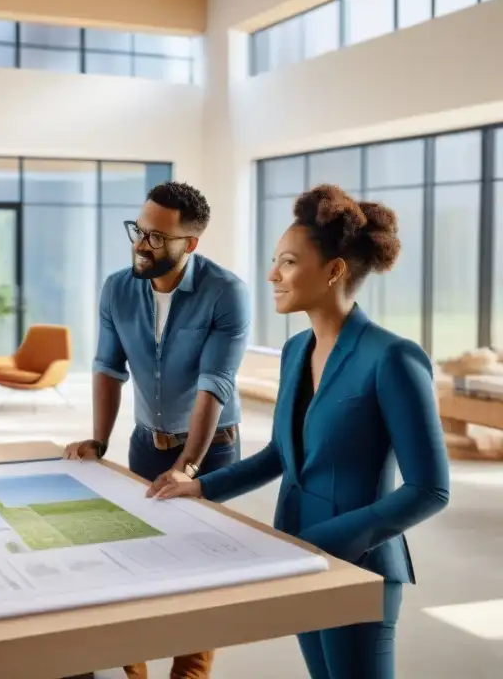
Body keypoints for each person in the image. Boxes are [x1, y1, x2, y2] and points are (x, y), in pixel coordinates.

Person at [153, 185, 451, 679]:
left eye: (288, 262)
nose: (272, 274)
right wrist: (200, 486)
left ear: (334, 270)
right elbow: (280, 454)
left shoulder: (392, 357)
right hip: (296, 556)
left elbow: (430, 489)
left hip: (358, 566)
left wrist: (326, 541)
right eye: (274, 260)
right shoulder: (295, 352)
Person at [63, 182, 250, 679]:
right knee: (134, 561)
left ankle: (189, 673)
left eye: (156, 238)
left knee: (201, 570)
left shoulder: (226, 293)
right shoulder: (117, 287)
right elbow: (107, 366)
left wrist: (187, 464)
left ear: (190, 244)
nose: (141, 244)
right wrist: (99, 441)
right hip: (145, 443)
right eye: (139, 231)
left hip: (210, 452)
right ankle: (134, 670)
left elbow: (215, 384)